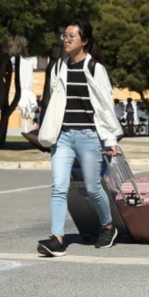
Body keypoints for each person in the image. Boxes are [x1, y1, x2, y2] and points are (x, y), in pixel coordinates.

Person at [37, 19, 123, 258]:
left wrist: (110, 141)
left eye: (71, 36)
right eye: (64, 36)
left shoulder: (95, 68)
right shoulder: (58, 67)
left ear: (84, 41)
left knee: (93, 187)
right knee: (59, 187)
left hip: (88, 137)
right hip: (63, 137)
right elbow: (56, 103)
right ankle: (57, 239)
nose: (65, 40)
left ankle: (107, 226)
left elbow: (105, 107)